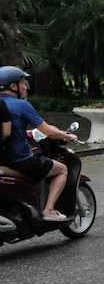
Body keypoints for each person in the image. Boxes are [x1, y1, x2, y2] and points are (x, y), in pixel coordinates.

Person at [0, 66, 77, 221]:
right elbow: (48, 131)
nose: (25, 86)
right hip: (21, 160)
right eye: (22, 82)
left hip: (3, 159)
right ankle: (48, 210)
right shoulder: (22, 105)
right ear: (13, 86)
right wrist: (67, 136)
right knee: (62, 169)